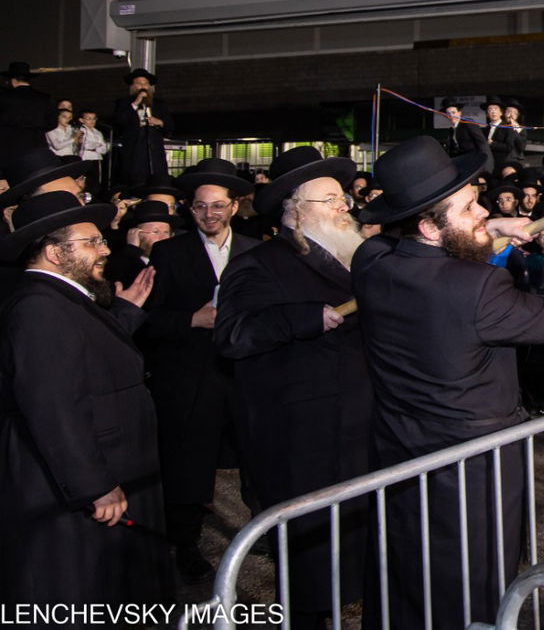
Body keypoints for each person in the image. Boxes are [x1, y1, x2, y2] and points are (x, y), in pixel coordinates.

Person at [351, 135, 544, 627]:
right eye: (469, 207)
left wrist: (490, 226)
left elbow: (385, 242)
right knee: (473, 578)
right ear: (427, 226)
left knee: (405, 570)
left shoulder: (370, 264)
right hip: (472, 463)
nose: (480, 210)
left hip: (400, 449)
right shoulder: (477, 286)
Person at [215, 147, 373, 626]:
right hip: (304, 444)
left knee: (361, 557)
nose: (344, 205)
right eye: (330, 199)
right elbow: (233, 335)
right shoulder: (260, 263)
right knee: (311, 567)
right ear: (296, 210)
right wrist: (304, 319)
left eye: (342, 196)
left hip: (361, 432)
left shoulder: (357, 257)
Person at [0, 191, 169, 607]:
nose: (105, 249)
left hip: (106, 465)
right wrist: (94, 485)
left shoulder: (61, 297)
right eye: (91, 242)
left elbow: (87, 358)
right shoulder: (38, 307)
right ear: (55, 253)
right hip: (74, 485)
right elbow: (54, 407)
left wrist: (124, 316)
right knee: (78, 587)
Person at [140, 157, 255, 581]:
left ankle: (264, 527)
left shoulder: (254, 251)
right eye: (200, 207)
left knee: (254, 457)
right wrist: (192, 319)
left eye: (218, 206)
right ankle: (184, 545)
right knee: (189, 466)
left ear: (234, 206)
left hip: (243, 377)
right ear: (190, 210)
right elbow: (145, 321)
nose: (209, 214)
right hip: (189, 379)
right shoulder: (168, 253)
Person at [112, 68, 173, 185]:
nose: (143, 86)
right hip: (134, 150)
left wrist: (159, 122)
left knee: (156, 178)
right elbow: (119, 121)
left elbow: (170, 126)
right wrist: (135, 103)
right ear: (133, 86)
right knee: (135, 180)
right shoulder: (124, 103)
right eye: (139, 83)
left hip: (154, 149)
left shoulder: (159, 104)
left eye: (145, 83)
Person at [104, 199, 179, 289]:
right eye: (155, 232)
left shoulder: (177, 262)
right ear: (136, 233)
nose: (163, 237)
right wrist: (131, 249)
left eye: (166, 232)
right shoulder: (123, 261)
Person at [0, 61, 55, 167]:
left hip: (10, 145)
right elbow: (52, 123)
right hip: (37, 143)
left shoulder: (4, 98)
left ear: (13, 80)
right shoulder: (44, 98)